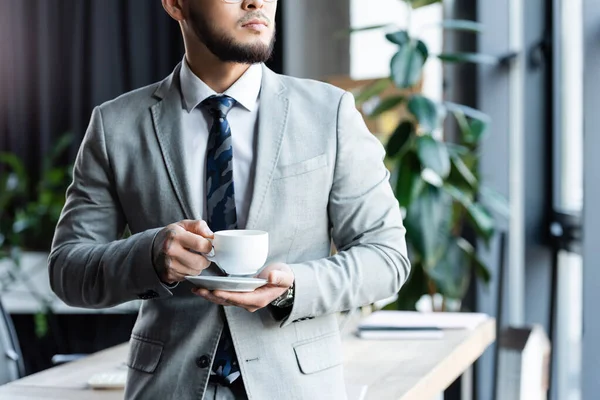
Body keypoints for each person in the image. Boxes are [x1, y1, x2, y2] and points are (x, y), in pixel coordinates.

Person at [48, 0, 411, 399]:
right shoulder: (115, 125)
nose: (256, 1)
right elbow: (68, 269)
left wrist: (295, 287)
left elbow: (386, 257)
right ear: (175, 4)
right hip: (168, 388)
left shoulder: (331, 113)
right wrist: (150, 256)